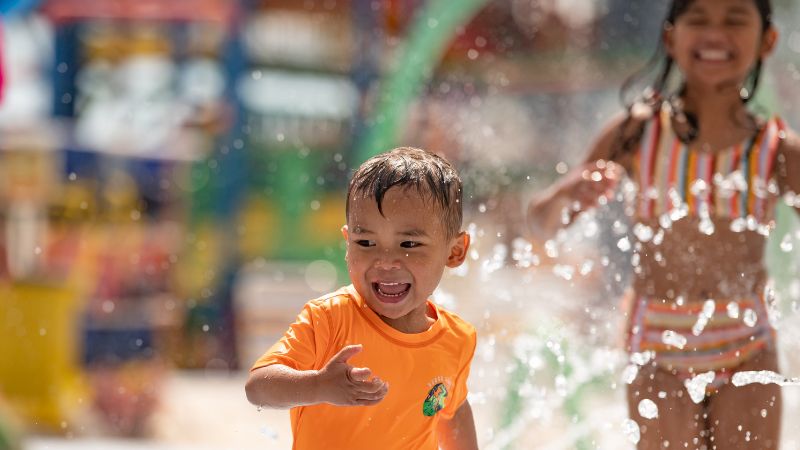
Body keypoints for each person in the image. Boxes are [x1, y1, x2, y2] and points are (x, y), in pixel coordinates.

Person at [525, 1, 800, 448]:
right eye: (698, 20)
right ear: (671, 36)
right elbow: (541, 225)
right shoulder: (638, 134)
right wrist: (567, 193)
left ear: (768, 40)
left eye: (734, 20)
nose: (716, 33)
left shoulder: (775, 151)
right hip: (658, 346)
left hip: (748, 343)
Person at [245, 147, 479, 450]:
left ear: (455, 251)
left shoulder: (456, 339)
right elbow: (258, 388)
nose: (385, 261)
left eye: (408, 243)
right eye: (365, 242)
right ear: (347, 244)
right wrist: (317, 386)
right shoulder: (330, 319)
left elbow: (454, 409)